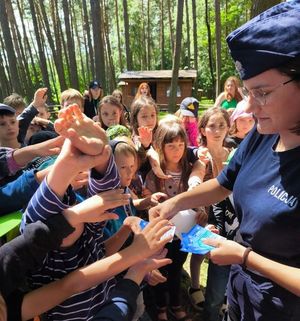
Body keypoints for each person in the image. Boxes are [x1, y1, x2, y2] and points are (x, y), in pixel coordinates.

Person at [150, 2, 300, 321]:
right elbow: (221, 185)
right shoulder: (263, 134)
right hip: (243, 298)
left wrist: (245, 257)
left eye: (261, 92)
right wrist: (173, 204)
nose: (245, 109)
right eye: (246, 93)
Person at [145, 121, 193, 321]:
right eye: (171, 146)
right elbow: (149, 203)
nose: (177, 150)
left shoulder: (189, 171)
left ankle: (176, 303)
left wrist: (199, 212)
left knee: (175, 270)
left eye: (181, 145)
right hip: (162, 235)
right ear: (161, 147)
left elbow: (197, 199)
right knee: (159, 269)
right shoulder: (154, 174)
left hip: (182, 236)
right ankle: (160, 307)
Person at [188, 107, 231, 314]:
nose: (217, 130)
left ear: (228, 128)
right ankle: (195, 286)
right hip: (205, 209)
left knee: (222, 252)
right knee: (199, 251)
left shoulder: (231, 154)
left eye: (222, 125)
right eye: (212, 126)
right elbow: (197, 173)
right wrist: (194, 183)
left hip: (227, 210)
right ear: (203, 130)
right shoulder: (203, 155)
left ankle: (221, 293)